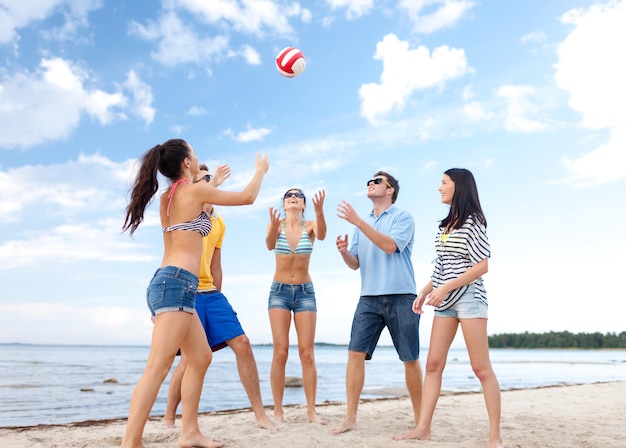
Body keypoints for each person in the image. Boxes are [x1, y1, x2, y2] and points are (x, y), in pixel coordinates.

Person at [121, 138, 269, 448]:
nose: (198, 156)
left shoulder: (170, 196)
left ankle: (189, 432)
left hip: (173, 283)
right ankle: (131, 443)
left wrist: (212, 180)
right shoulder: (191, 191)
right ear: (187, 163)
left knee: (200, 357)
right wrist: (260, 171)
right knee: (158, 367)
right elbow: (247, 197)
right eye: (194, 153)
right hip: (175, 283)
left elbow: (196, 206)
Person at [393, 168, 503, 448]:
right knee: (432, 364)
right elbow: (443, 266)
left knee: (481, 368)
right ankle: (423, 428)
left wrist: (445, 288)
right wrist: (426, 290)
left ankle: (494, 437)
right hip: (444, 301)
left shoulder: (474, 221)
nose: (439, 188)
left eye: (444, 183)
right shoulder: (446, 224)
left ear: (459, 186)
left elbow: (482, 265)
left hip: (469, 299)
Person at [163, 164, 275, 431]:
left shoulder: (219, 223)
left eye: (209, 178)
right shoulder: (185, 209)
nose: (207, 183)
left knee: (244, 344)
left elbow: (216, 265)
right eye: (202, 179)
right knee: (189, 358)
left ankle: (260, 414)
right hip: (186, 289)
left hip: (211, 293)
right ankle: (168, 417)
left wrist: (218, 297)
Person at [333, 172, 423, 434]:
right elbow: (355, 264)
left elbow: (389, 246)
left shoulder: (402, 217)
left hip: (401, 295)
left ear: (390, 189)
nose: (370, 184)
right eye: (369, 182)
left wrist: (359, 222)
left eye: (377, 181)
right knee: (354, 353)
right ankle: (350, 417)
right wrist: (344, 253)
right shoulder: (362, 223)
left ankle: (420, 419)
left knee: (410, 357)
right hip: (368, 298)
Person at [265, 188, 327, 424]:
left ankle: (311, 411)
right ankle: (278, 411)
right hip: (279, 292)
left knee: (307, 353)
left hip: (305, 293)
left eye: (298, 196)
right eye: (289, 195)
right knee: (280, 352)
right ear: (283, 204)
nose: (293, 197)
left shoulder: (310, 225)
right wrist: (272, 226)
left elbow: (321, 235)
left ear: (303, 205)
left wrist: (320, 211)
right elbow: (269, 245)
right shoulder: (276, 224)